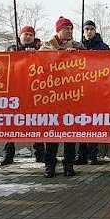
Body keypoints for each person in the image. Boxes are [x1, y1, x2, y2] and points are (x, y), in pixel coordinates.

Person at [41, 16, 84, 178]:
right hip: (51, 97)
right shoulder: (46, 47)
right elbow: (41, 62)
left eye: (71, 29)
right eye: (67, 28)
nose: (70, 31)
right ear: (58, 30)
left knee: (70, 134)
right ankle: (49, 165)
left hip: (71, 96)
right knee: (51, 134)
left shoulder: (77, 47)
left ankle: (69, 165)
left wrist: (77, 55)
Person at [0, 25, 44, 166]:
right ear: (20, 36)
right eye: (25, 34)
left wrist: (35, 54)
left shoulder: (41, 49)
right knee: (11, 123)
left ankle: (40, 153)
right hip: (16, 91)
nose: (28, 37)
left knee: (38, 122)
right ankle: (8, 154)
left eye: (30, 35)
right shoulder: (12, 49)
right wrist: (20, 53)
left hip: (35, 91)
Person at [75, 20, 110, 166]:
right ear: (83, 31)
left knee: (94, 123)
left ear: (95, 31)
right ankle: (81, 154)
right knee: (81, 123)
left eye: (91, 29)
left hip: (96, 90)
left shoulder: (103, 47)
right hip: (81, 91)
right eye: (86, 29)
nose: (89, 32)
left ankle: (93, 154)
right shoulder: (77, 47)